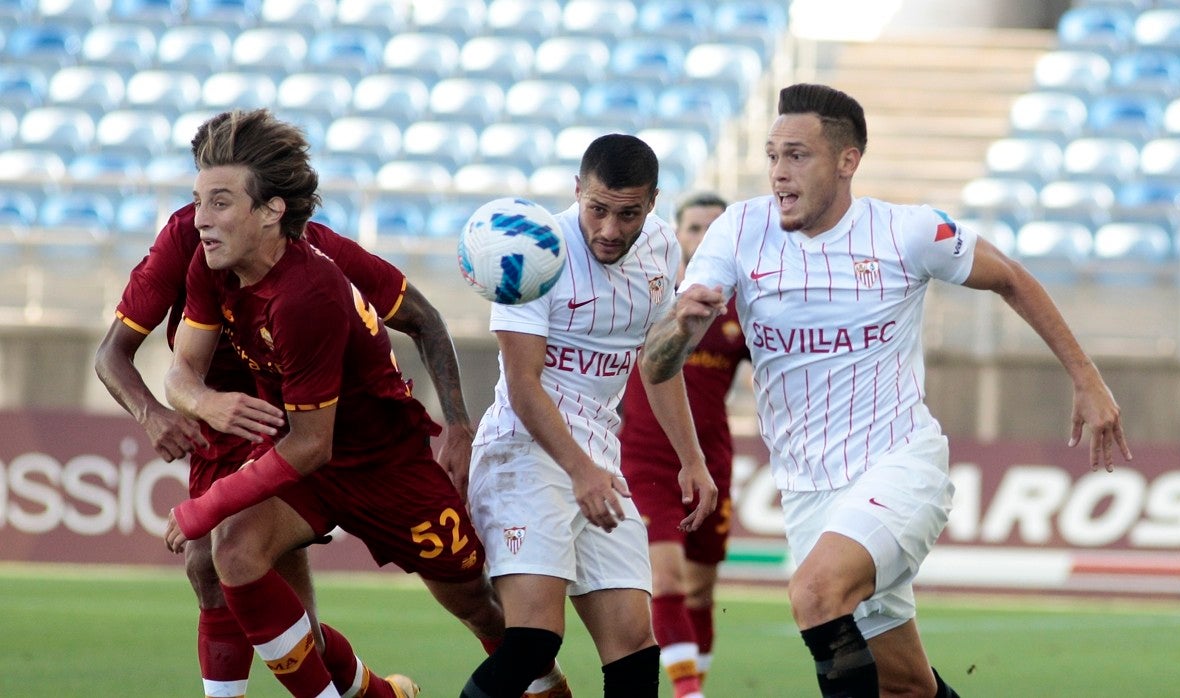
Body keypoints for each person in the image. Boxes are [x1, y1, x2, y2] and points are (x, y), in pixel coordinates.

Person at [642, 83, 1133, 698]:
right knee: (906, 687)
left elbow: (1010, 278)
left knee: (816, 593)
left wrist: (1087, 378)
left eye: (797, 155)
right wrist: (680, 328)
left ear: (847, 161)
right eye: (772, 155)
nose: (778, 173)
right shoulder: (739, 230)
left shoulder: (907, 233)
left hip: (900, 464)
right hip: (806, 492)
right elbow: (658, 361)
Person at [156, 108, 566, 698]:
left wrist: (457, 425)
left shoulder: (309, 289)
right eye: (197, 201)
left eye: (218, 202)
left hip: (383, 467)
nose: (198, 221)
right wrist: (205, 402)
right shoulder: (211, 263)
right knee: (232, 552)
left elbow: (415, 330)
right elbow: (181, 370)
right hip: (304, 460)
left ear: (273, 210)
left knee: (478, 607)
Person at [459, 134, 719, 698]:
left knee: (633, 644)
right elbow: (524, 387)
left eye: (627, 214)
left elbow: (656, 366)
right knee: (532, 641)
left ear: (651, 202)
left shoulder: (662, 250)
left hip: (599, 457)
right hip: (525, 451)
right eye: (596, 209)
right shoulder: (530, 251)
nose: (608, 229)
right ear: (577, 191)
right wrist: (579, 471)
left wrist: (691, 460)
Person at [618, 191, 748, 698]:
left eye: (714, 229)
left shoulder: (740, 313)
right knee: (666, 580)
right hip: (646, 457)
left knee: (699, 590)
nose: (702, 238)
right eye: (694, 228)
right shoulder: (646, 296)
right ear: (677, 234)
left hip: (711, 459)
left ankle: (693, 687)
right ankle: (688, 695)